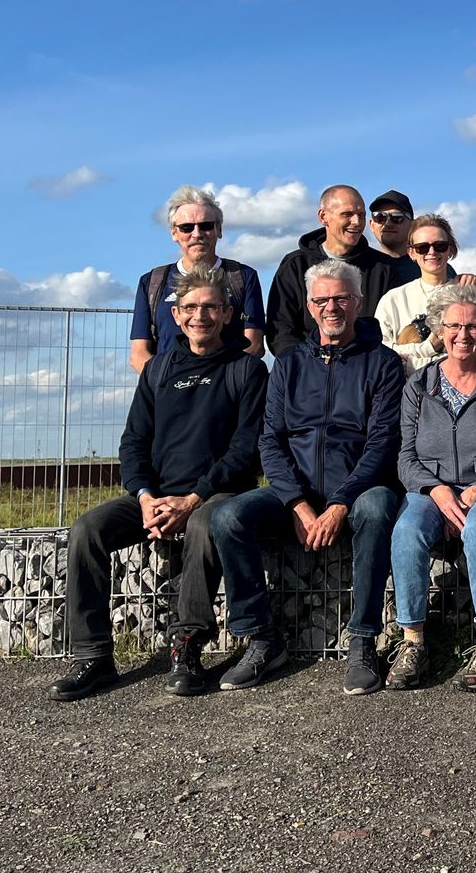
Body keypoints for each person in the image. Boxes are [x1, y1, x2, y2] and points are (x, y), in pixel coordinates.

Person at [49, 269, 267, 701]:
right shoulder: (158, 370)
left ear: (227, 313)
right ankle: (94, 657)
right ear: (176, 315)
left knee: (207, 524)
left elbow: (247, 449)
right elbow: (133, 442)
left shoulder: (248, 370)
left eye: (210, 307)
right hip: (155, 495)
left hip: (215, 494)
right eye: (190, 308)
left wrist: (192, 498)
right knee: (87, 530)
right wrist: (146, 497)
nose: (199, 316)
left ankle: (186, 648)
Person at [212, 260, 404, 696]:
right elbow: (271, 441)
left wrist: (339, 504)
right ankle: (261, 638)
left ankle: (363, 640)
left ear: (358, 302)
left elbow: (381, 443)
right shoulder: (288, 364)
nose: (331, 307)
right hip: (295, 491)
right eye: (321, 300)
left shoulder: (384, 364)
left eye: (340, 298)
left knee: (376, 508)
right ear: (309, 306)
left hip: (358, 488)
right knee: (228, 518)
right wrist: (297, 504)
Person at [385, 284, 476, 695]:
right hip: (431, 487)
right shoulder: (418, 386)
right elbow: (405, 457)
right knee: (407, 532)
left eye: (473, 326)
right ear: (439, 330)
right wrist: (436, 491)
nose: (464, 334)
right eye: (454, 325)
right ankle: (412, 642)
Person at [129, 186, 264, 372]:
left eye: (206, 225)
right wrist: (168, 383)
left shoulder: (243, 277)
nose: (197, 234)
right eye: (186, 227)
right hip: (168, 392)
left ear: (219, 230)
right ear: (174, 233)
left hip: (226, 392)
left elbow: (254, 345)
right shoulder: (152, 282)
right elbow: (138, 354)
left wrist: (214, 383)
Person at [265, 185, 394, 356]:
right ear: (324, 217)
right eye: (347, 214)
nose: (356, 222)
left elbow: (391, 328)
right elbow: (281, 328)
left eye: (361, 215)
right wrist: (299, 366)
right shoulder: (295, 266)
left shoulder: (383, 269)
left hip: (367, 370)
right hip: (307, 369)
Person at [373, 213, 476, 374]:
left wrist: (410, 360)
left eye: (439, 246)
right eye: (422, 247)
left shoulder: (470, 294)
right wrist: (429, 347)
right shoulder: (393, 299)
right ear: (411, 253)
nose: (431, 252)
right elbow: (381, 351)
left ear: (450, 249)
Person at [368, 189, 422, 288]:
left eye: (397, 217)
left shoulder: (431, 267)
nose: (388, 223)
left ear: (412, 225)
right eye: (380, 217)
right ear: (371, 225)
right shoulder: (362, 269)